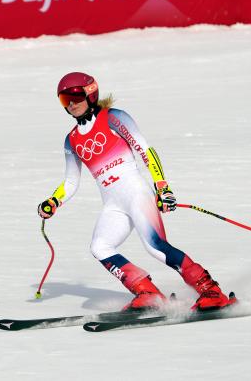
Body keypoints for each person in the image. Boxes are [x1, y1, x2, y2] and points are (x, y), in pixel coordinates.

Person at [37, 72, 234, 311]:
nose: (70, 104)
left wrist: (163, 188)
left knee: (156, 247)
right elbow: (71, 182)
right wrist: (53, 201)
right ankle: (147, 293)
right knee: (100, 247)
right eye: (64, 99)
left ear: (91, 94)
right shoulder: (72, 140)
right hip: (113, 204)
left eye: (75, 96)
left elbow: (145, 150)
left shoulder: (113, 118)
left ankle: (211, 291)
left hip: (136, 194)